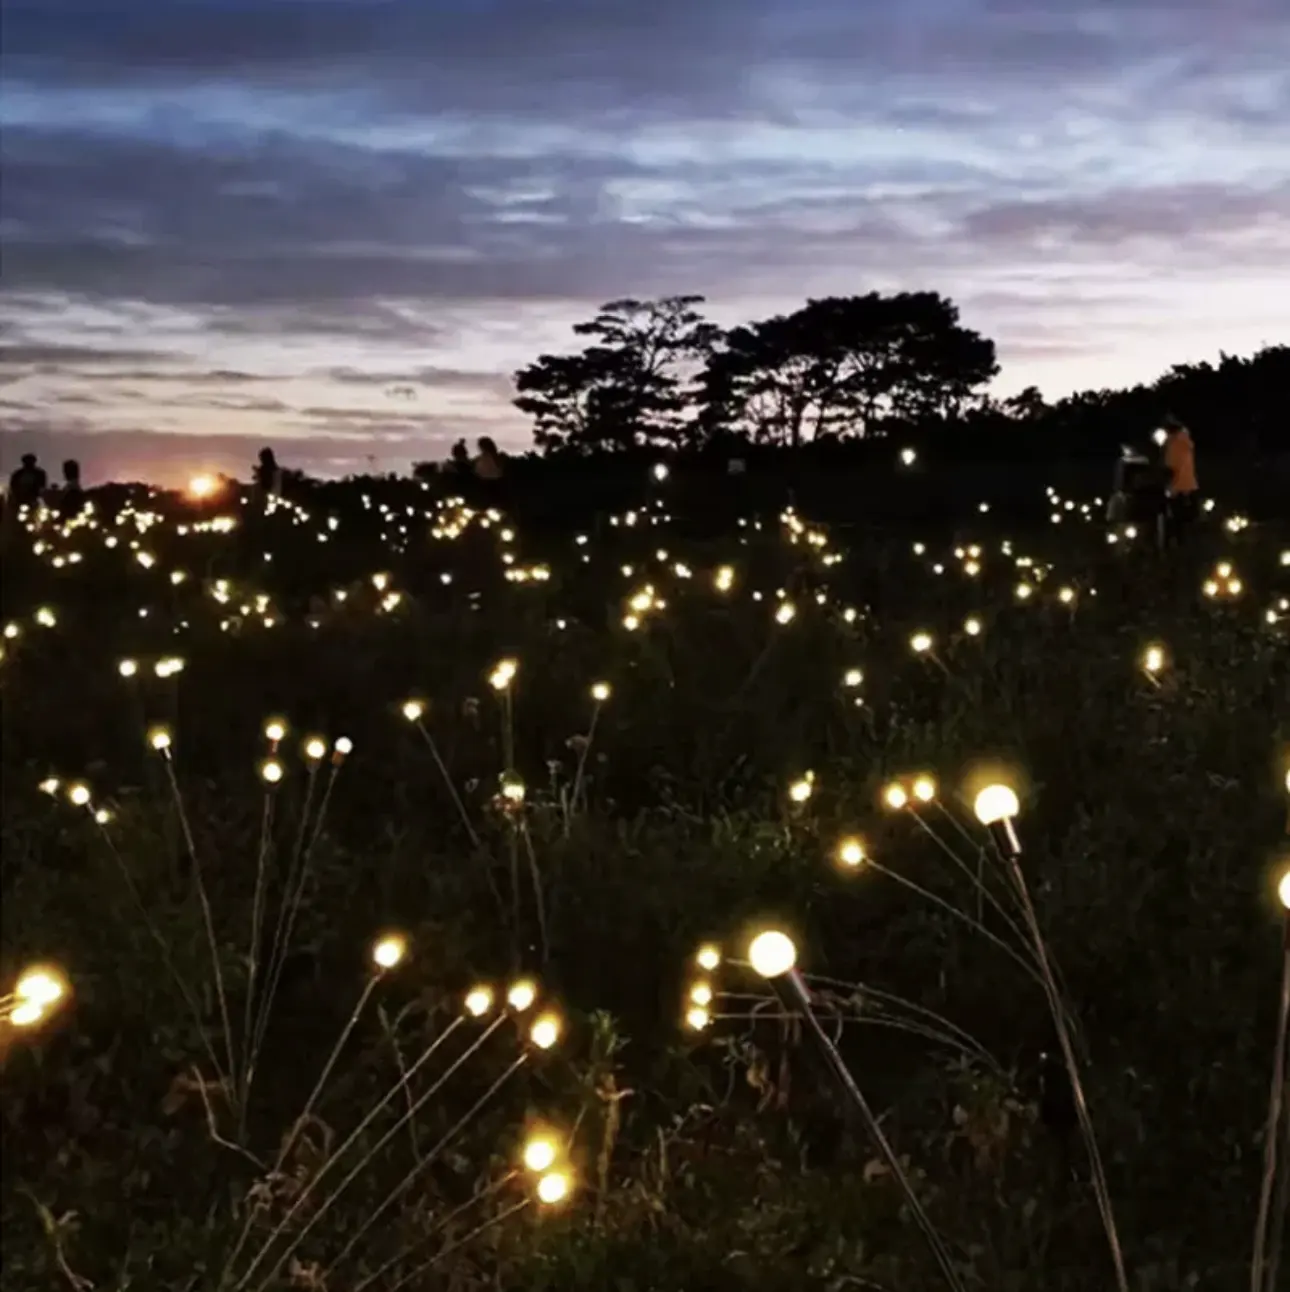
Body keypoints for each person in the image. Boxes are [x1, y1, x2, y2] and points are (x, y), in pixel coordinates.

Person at [1161, 417, 1198, 545]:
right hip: (1190, 486)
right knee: (1189, 520)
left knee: (1175, 520)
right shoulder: (1186, 442)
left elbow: (1171, 467)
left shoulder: (1173, 444)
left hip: (1176, 487)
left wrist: (1169, 486)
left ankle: (1175, 545)